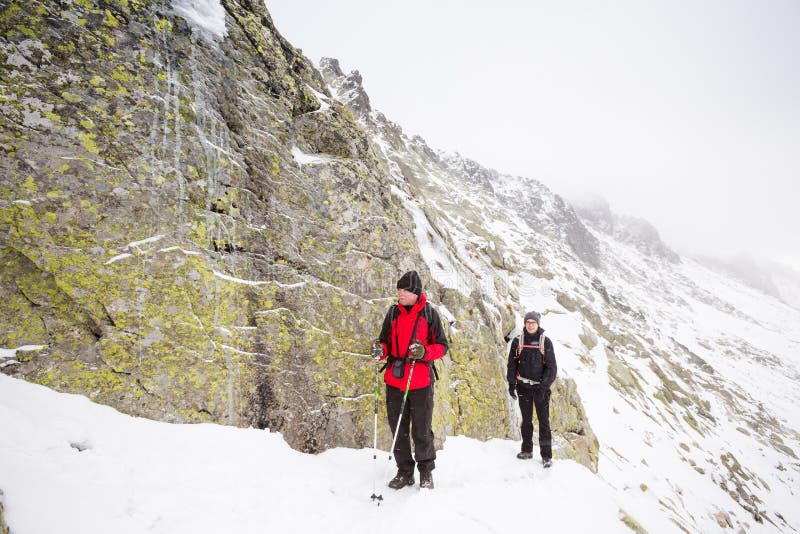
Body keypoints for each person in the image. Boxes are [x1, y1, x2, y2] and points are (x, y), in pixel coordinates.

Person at [370, 270, 448, 490]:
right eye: (399, 289)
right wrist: (380, 350)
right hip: (395, 380)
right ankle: (405, 471)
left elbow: (442, 346)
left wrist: (424, 352)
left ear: (415, 293)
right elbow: (384, 342)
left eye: (404, 290)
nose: (399, 293)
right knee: (398, 429)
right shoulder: (393, 313)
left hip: (421, 381)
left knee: (422, 430)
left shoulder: (429, 314)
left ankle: (426, 472)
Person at [507, 311, 557, 467]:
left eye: (533, 322)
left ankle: (546, 456)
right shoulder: (518, 341)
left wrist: (543, 386)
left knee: (544, 422)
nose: (530, 325)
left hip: (540, 389)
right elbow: (512, 364)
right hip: (523, 387)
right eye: (528, 322)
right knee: (526, 421)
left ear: (538, 324)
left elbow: (551, 368)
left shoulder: (545, 342)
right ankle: (527, 450)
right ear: (524, 323)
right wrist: (511, 383)